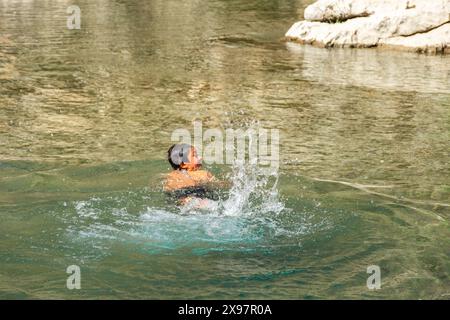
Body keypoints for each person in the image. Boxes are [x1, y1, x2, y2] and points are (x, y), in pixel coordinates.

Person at [164, 143, 223, 207]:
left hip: (177, 197)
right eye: (195, 155)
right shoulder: (202, 174)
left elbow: (168, 189)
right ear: (184, 164)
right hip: (198, 195)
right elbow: (220, 185)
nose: (200, 158)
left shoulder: (170, 176)